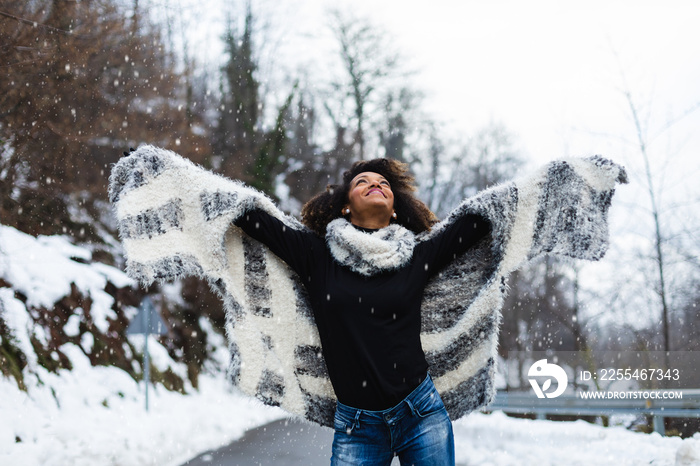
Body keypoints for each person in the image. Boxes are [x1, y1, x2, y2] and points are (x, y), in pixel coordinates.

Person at [233, 158, 491, 466]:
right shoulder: (316, 256)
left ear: (395, 209)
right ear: (345, 206)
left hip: (421, 414)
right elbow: (251, 217)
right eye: (362, 182)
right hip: (357, 429)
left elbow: (481, 219)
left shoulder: (416, 257)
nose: (376, 185)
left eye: (384, 184)